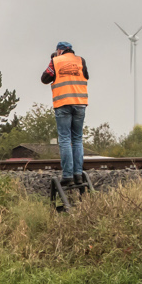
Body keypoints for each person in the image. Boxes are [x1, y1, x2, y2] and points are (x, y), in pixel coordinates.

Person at [41, 41, 89, 190]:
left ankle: (67, 176)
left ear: (60, 51)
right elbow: (86, 75)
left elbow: (45, 78)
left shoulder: (56, 60)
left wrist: (53, 60)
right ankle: (78, 175)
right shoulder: (81, 60)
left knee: (65, 139)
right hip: (80, 103)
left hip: (63, 104)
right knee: (77, 139)